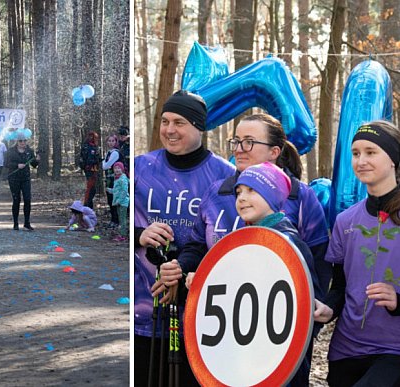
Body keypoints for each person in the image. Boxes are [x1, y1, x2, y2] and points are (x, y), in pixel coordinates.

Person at [159, 113, 331, 296]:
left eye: (249, 142)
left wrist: (313, 314)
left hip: (278, 314)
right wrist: (180, 267)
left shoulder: (300, 195)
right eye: (236, 141)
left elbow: (318, 262)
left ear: (274, 152)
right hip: (220, 313)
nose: (239, 149)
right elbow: (197, 247)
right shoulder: (216, 192)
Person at [134, 90, 236, 386]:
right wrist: (140, 235)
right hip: (143, 315)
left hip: (199, 319)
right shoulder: (141, 167)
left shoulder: (225, 177)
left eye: (179, 122)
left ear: (199, 127)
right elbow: (116, 220)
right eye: (165, 121)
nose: (169, 130)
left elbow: (227, 246)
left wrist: (184, 272)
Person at [314, 121, 400, 387]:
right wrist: (328, 307)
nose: (361, 160)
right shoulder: (345, 220)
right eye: (356, 153)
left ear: (394, 160)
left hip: (393, 351)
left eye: (371, 152)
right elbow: (341, 285)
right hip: (345, 350)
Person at [227, 162, 324, 386]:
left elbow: (310, 302)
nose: (241, 197)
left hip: (280, 358)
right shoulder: (241, 239)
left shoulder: (290, 242)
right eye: (238, 191)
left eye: (251, 190)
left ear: (272, 195)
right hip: (247, 352)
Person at [5, 133, 39, 230]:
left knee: (27, 199)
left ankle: (27, 223)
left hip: (25, 178)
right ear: (17, 141)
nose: (23, 143)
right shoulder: (11, 151)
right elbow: (6, 164)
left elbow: (34, 165)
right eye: (20, 141)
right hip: (14, 178)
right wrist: (17, 165)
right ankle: (15, 223)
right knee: (16, 200)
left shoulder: (29, 151)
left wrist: (37, 160)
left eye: (24, 141)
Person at [102, 134, 122, 227]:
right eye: (109, 141)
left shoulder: (115, 153)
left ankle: (117, 220)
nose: (111, 143)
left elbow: (105, 166)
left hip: (115, 180)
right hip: (109, 179)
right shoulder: (108, 153)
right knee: (110, 200)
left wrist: (103, 162)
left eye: (113, 141)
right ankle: (113, 220)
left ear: (116, 142)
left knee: (115, 199)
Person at [79, 131, 101, 208]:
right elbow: (83, 158)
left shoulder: (96, 147)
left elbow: (97, 158)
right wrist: (85, 167)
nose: (91, 138)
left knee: (92, 189)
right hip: (89, 170)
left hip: (94, 170)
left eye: (93, 137)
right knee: (91, 188)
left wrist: (99, 161)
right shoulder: (86, 146)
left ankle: (88, 205)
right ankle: (87, 204)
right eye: (90, 136)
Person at [111, 162, 129, 242]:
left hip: (122, 203)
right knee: (120, 219)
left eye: (119, 168)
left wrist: (119, 200)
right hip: (118, 202)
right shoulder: (117, 178)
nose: (117, 170)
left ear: (122, 169)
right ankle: (121, 234)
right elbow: (116, 190)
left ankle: (123, 235)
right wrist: (110, 190)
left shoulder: (123, 179)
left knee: (122, 220)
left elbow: (124, 191)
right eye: (115, 168)